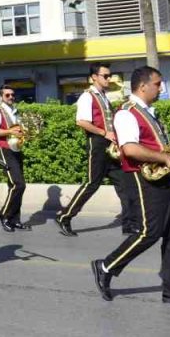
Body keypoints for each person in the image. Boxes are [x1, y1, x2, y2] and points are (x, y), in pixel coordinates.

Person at [92, 66, 170, 306]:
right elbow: (130, 148)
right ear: (142, 86)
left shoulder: (148, 112)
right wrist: (164, 158)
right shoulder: (127, 113)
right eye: (157, 83)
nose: (161, 87)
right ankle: (105, 266)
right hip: (142, 179)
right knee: (149, 232)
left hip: (161, 178)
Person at [57, 63, 133, 237]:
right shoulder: (87, 97)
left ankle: (128, 224)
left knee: (125, 185)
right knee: (92, 184)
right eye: (105, 76)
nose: (109, 78)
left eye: (109, 75)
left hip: (110, 146)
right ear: (94, 78)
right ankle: (65, 216)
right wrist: (105, 133)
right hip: (98, 144)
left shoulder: (103, 96)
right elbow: (81, 122)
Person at [0, 86, 28, 232]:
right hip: (5, 149)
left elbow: (18, 130)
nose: (11, 97)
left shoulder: (15, 111)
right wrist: (9, 131)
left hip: (16, 148)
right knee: (18, 184)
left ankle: (15, 219)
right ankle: (4, 214)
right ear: (1, 97)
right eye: (7, 95)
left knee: (16, 186)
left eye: (12, 95)